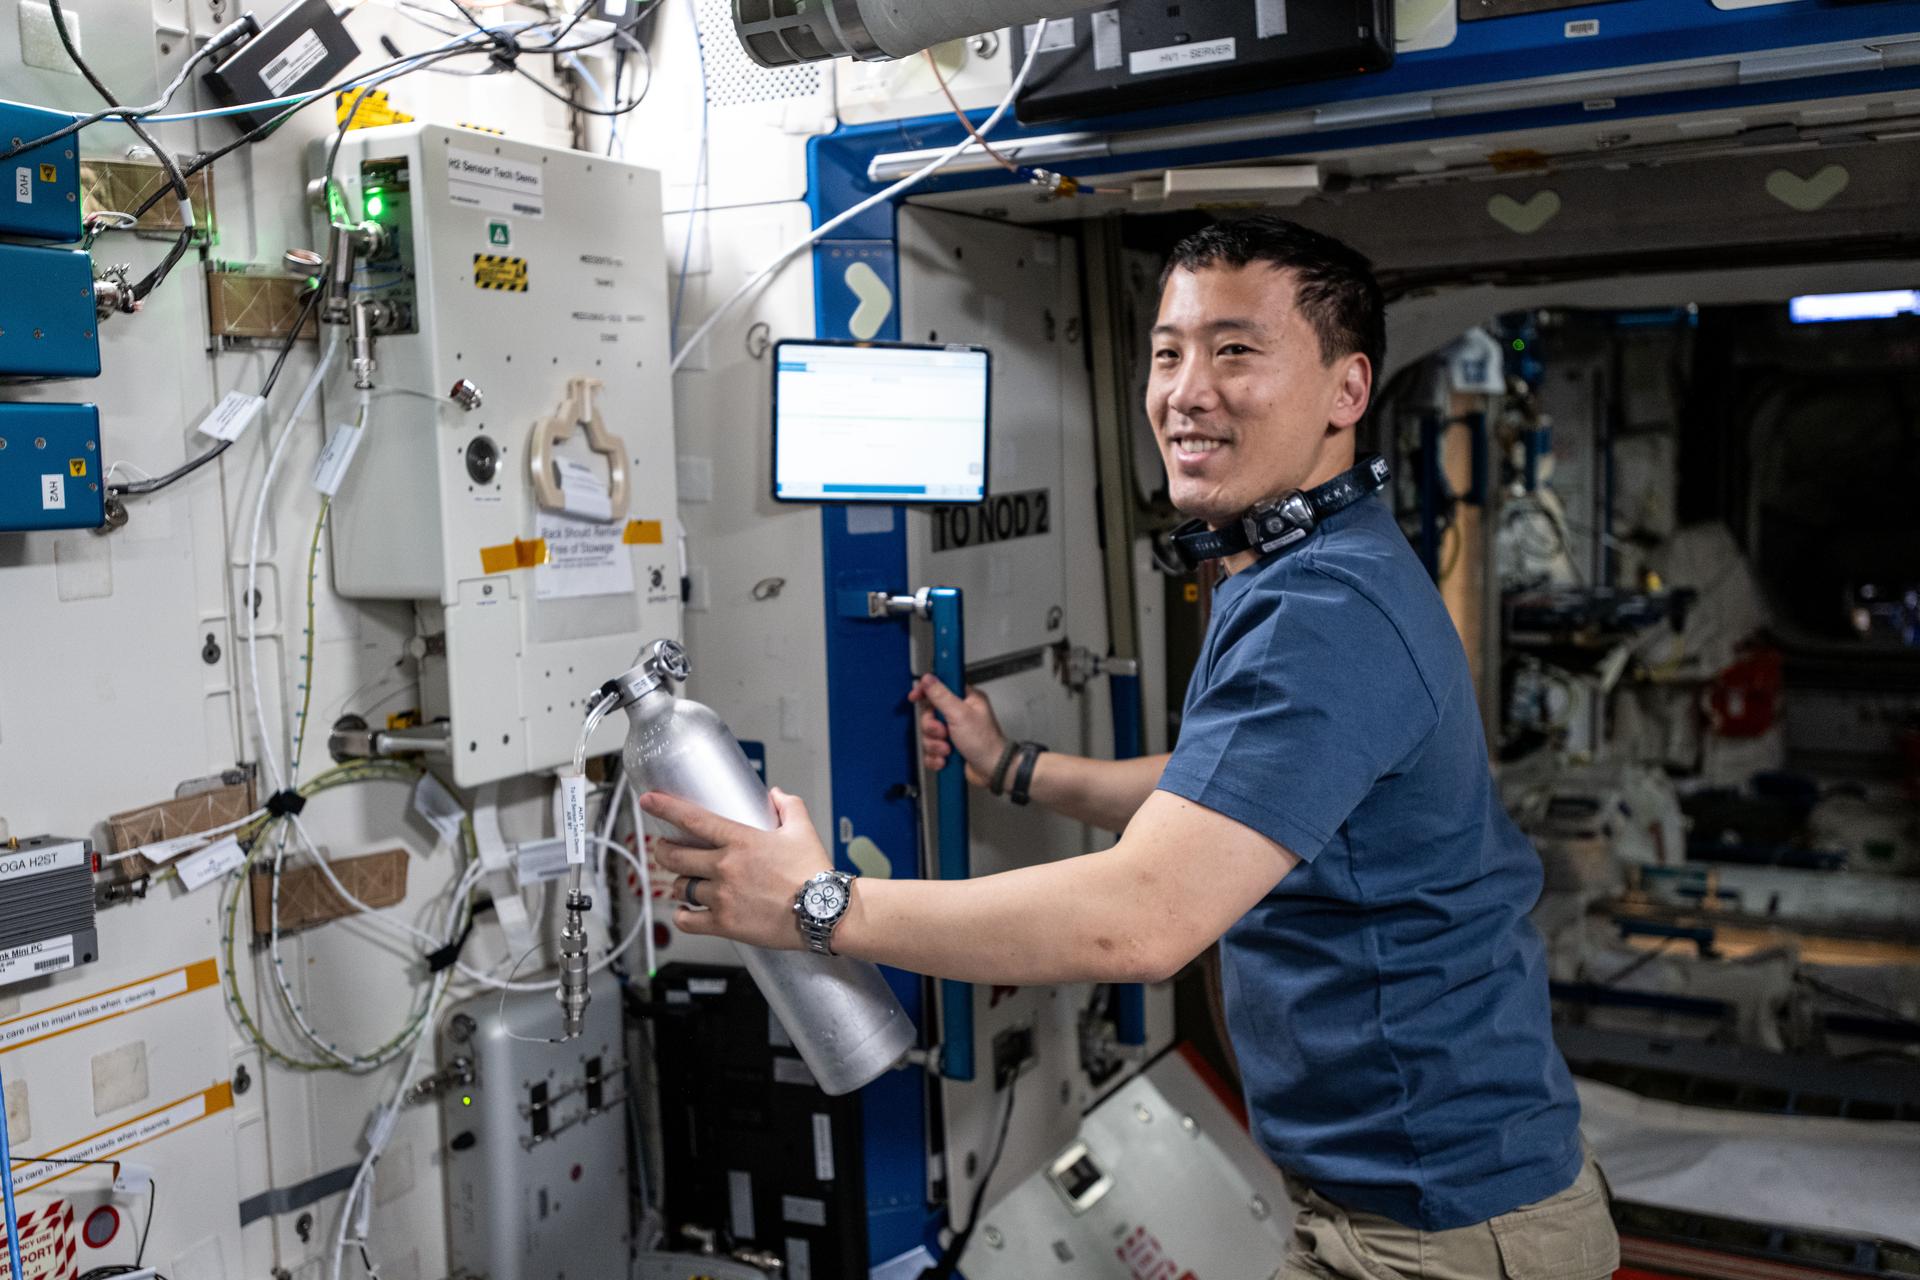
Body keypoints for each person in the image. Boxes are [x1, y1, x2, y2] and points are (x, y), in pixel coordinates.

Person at [642, 215, 1620, 1280]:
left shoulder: (1325, 610)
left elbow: (1143, 922)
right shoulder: (1313, 567)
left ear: (1348, 391)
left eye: (1236, 350)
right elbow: (1230, 796)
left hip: (1443, 1234)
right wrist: (1015, 767)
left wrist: (815, 905)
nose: (1186, 391)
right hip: (1412, 1201)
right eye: (1168, 352)